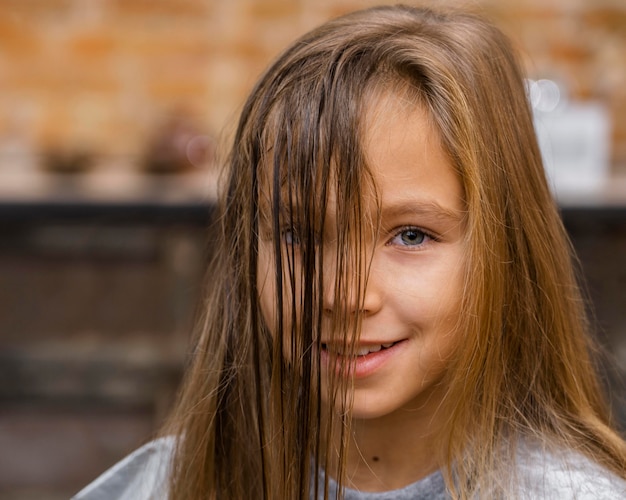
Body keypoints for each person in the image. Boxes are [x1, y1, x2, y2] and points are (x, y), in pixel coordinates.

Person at [73, 4, 626, 499]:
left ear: (507, 252)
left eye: (411, 235)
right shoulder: (173, 484)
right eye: (299, 234)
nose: (346, 295)